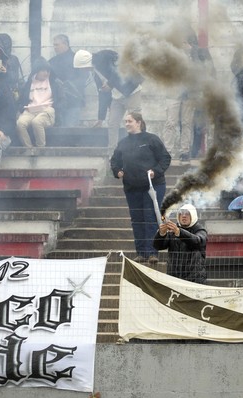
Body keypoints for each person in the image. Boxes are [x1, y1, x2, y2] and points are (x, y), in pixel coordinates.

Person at [110, 112, 171, 264]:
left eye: (129, 121)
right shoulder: (123, 142)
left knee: (150, 218)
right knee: (137, 220)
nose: (127, 124)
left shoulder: (151, 139)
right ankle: (141, 252)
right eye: (125, 122)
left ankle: (152, 252)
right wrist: (117, 171)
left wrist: (155, 171)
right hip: (132, 187)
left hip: (153, 186)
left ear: (138, 122)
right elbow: (114, 160)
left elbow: (165, 158)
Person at [73, 49, 143, 149]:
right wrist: (101, 118)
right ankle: (113, 151)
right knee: (112, 124)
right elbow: (102, 93)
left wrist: (110, 84)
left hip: (132, 91)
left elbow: (121, 69)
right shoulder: (94, 73)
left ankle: (139, 148)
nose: (81, 71)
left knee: (135, 122)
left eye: (81, 68)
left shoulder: (104, 57)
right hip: (116, 97)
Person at [162, 29, 210, 162]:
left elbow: (201, 70)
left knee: (187, 122)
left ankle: (185, 151)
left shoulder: (197, 53)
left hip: (190, 92)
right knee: (170, 122)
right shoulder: (172, 53)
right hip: (173, 91)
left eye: (185, 41)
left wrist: (190, 53)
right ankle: (168, 151)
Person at [153, 203, 208, 284]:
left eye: (187, 213)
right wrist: (161, 234)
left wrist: (179, 232)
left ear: (193, 215)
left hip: (195, 279)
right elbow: (158, 246)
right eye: (181, 213)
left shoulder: (200, 230)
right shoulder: (173, 230)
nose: (184, 216)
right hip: (174, 278)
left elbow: (197, 241)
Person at [16, 58, 60, 148]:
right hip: (30, 110)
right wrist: (22, 108)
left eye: (48, 71)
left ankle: (41, 148)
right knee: (20, 124)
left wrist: (56, 109)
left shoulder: (54, 83)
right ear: (37, 70)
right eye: (43, 70)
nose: (46, 73)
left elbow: (61, 100)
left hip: (47, 110)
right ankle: (29, 148)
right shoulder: (29, 83)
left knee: (37, 122)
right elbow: (21, 100)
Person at [49, 34, 86, 127]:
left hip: (73, 103)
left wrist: (69, 85)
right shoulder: (51, 62)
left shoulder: (78, 59)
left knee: (70, 133)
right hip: (56, 104)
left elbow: (83, 79)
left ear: (65, 44)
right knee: (57, 135)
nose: (55, 47)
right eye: (54, 45)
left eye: (57, 45)